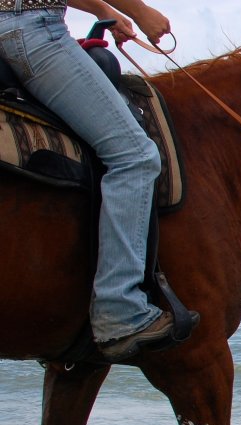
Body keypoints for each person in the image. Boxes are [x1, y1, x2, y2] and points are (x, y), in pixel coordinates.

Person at [0, 0, 195, 362]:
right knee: (135, 156)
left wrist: (103, 10)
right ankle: (119, 310)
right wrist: (140, 12)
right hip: (30, 30)